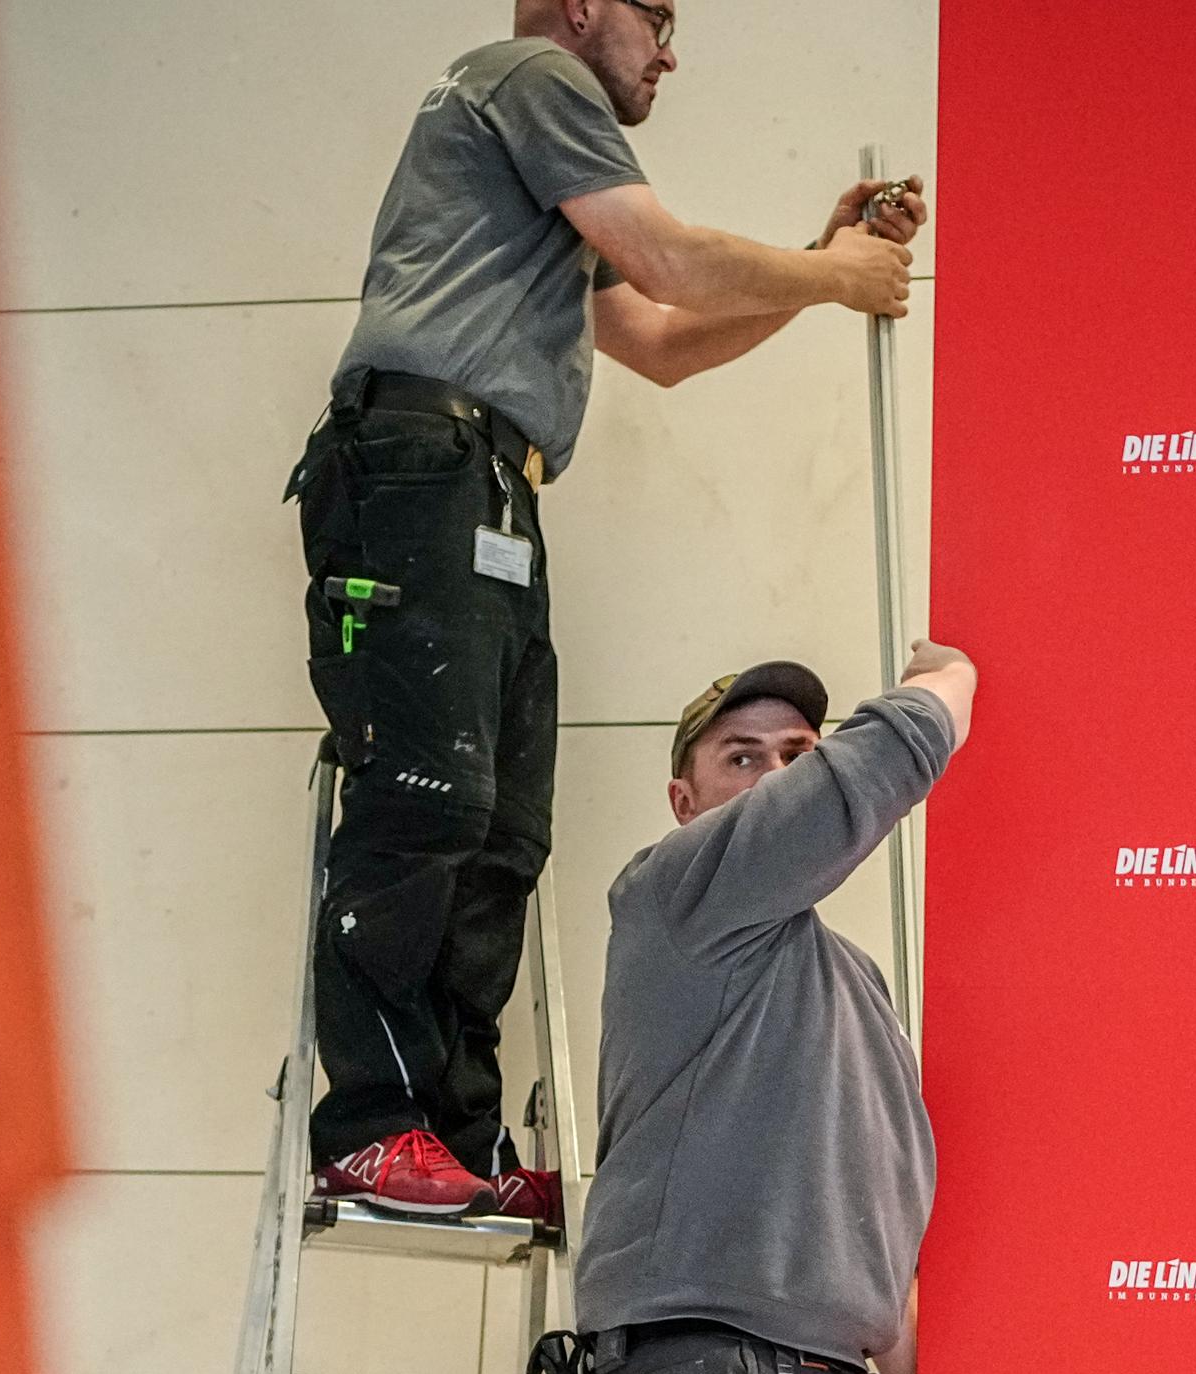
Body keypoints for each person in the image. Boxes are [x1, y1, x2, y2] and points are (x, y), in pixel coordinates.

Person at [290, 0, 925, 1217]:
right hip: (423, 467)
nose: (669, 53)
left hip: (486, 487)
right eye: (658, 17)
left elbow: (665, 340)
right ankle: (371, 1130)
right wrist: (836, 275)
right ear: (584, 7)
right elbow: (671, 263)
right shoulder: (534, 77)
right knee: (428, 797)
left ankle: (456, 1140)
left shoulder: (533, 179)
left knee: (500, 830)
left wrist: (819, 265)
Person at [536, 638, 973, 1374]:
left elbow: (879, 1242)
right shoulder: (673, 896)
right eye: (742, 758)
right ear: (683, 803)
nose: (777, 779)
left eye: (798, 755)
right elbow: (861, 777)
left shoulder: (854, 982)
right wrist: (948, 683)